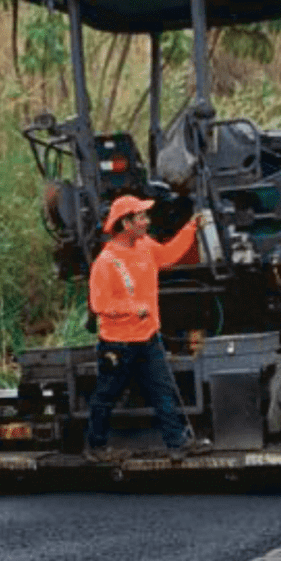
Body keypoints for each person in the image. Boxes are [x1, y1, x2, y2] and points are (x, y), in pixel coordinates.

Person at [84, 196, 212, 463]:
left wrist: (191, 229)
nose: (147, 221)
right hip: (117, 343)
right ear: (126, 223)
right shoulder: (106, 262)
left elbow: (168, 256)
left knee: (163, 390)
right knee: (107, 395)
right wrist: (133, 308)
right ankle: (95, 447)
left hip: (146, 337)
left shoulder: (145, 246)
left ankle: (177, 444)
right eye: (141, 217)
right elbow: (99, 303)